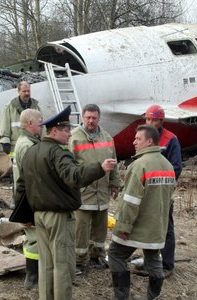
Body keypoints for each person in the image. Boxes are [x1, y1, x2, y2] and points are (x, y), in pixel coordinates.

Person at [16, 105, 117, 300]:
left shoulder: (32, 152)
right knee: (62, 265)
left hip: (39, 217)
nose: (69, 134)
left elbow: (22, 186)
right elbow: (73, 175)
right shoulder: (59, 153)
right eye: (66, 130)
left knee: (46, 264)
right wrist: (100, 168)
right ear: (54, 131)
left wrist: (24, 216)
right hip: (58, 218)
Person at [108, 124, 176, 300]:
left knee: (115, 254)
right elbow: (168, 197)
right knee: (153, 258)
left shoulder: (139, 165)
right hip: (157, 227)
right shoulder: (168, 166)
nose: (134, 142)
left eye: (138, 139)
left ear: (149, 141)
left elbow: (130, 201)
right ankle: (153, 296)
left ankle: (121, 296)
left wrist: (122, 227)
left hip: (137, 225)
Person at [68, 104, 121, 274]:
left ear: (99, 118)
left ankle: (97, 256)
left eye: (94, 118)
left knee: (100, 228)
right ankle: (78, 261)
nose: (91, 121)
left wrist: (115, 183)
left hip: (102, 193)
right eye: (88, 117)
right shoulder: (74, 138)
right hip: (83, 193)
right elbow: (68, 168)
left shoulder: (107, 138)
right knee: (80, 230)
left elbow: (114, 163)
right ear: (83, 118)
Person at [144, 104, 182, 278]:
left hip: (163, 192)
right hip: (147, 190)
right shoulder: (143, 137)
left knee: (166, 228)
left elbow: (176, 168)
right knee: (148, 227)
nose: (151, 123)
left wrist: (161, 183)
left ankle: (167, 265)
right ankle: (149, 263)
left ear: (161, 121)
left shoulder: (170, 139)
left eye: (154, 120)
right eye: (148, 119)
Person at [13, 109, 43, 289]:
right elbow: (28, 181)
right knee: (34, 239)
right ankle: (33, 278)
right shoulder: (27, 145)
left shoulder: (29, 142)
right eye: (39, 121)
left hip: (29, 199)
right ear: (30, 123)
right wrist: (26, 210)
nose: (42, 124)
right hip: (29, 201)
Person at [0, 81, 41, 154]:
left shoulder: (36, 107)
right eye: (24, 91)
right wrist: (5, 142)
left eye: (28, 91)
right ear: (18, 91)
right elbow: (4, 125)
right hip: (16, 147)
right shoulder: (10, 107)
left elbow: (41, 126)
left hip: (33, 145)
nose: (27, 93)